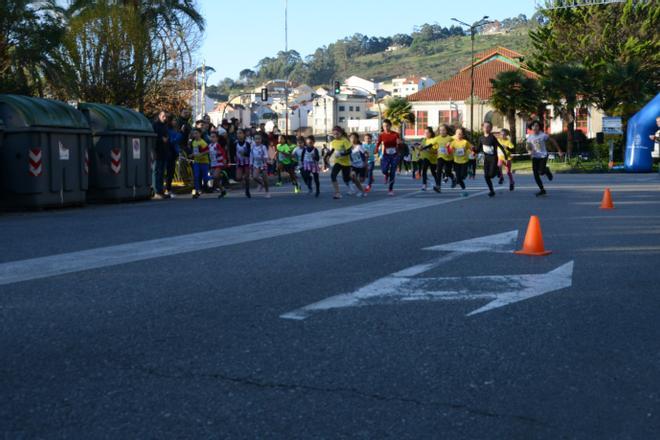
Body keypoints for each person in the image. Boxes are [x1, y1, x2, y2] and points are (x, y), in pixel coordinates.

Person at [526, 120, 563, 197]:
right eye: (533, 126)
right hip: (535, 157)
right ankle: (542, 190)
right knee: (535, 174)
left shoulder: (543, 135)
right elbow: (528, 146)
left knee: (541, 172)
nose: (535, 127)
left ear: (539, 127)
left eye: (537, 126)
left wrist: (559, 150)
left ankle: (547, 170)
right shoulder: (530, 137)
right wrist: (530, 151)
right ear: (531, 127)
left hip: (543, 156)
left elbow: (553, 141)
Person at [478, 121, 508, 197]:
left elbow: (500, 146)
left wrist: (506, 157)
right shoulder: (481, 138)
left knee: (491, 175)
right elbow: (478, 149)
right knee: (486, 176)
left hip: (493, 158)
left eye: (488, 127)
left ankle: (497, 170)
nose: (486, 128)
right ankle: (491, 191)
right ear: (482, 128)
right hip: (486, 159)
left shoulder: (492, 138)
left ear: (491, 128)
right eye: (485, 126)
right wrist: (473, 150)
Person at [377, 119, 402, 196]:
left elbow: (400, 144)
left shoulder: (395, 134)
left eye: (387, 126)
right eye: (384, 126)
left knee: (392, 172)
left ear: (390, 126)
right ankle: (386, 175)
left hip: (394, 155)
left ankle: (390, 189)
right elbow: (378, 143)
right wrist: (376, 150)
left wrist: (399, 144)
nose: (385, 127)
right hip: (386, 155)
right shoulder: (381, 135)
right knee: (384, 170)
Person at [328, 126, 352, 199]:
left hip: (346, 163)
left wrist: (342, 154)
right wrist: (327, 157)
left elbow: (349, 151)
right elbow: (331, 151)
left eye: (337, 134)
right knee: (333, 175)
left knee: (345, 178)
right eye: (334, 134)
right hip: (338, 162)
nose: (336, 135)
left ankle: (350, 186)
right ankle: (337, 193)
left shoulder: (345, 141)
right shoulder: (333, 142)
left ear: (341, 133)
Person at [449, 127, 473, 196]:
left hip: (464, 161)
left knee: (463, 176)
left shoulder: (465, 142)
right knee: (459, 177)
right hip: (456, 162)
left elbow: (471, 148)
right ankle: (463, 189)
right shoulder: (453, 142)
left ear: (462, 135)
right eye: (457, 133)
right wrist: (448, 147)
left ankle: (465, 174)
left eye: (460, 133)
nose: (459, 134)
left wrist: (473, 151)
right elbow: (450, 151)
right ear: (455, 135)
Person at [152, 111, 170, 200]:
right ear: (159, 116)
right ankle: (156, 191)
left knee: (162, 172)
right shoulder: (155, 125)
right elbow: (153, 138)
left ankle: (160, 190)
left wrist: (166, 139)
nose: (165, 118)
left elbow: (167, 137)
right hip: (157, 151)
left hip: (164, 152)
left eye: (166, 116)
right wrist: (161, 139)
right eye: (163, 116)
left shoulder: (165, 126)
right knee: (156, 171)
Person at [189, 128, 210, 199]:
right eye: (194, 133)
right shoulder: (193, 142)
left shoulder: (203, 142)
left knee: (205, 178)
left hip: (204, 162)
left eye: (197, 133)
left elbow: (207, 151)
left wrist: (201, 154)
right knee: (196, 176)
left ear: (200, 134)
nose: (195, 135)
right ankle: (197, 191)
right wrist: (192, 155)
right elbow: (195, 152)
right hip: (197, 162)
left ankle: (215, 177)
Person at [165, 118, 182, 198]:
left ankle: (168, 188)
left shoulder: (177, 131)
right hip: (168, 151)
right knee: (167, 171)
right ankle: (167, 189)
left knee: (171, 172)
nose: (174, 122)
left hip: (174, 152)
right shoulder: (169, 130)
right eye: (173, 120)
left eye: (175, 121)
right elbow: (173, 141)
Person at [250, 133, 271, 199]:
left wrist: (264, 158)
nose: (257, 140)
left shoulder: (263, 147)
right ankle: (261, 183)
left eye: (259, 139)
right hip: (256, 164)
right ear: (254, 140)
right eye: (256, 139)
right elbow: (251, 156)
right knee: (255, 177)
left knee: (265, 178)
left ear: (261, 140)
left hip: (263, 164)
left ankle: (267, 192)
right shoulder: (252, 147)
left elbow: (266, 155)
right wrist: (251, 163)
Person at [435, 124, 455, 191]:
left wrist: (450, 146)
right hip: (440, 157)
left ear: (446, 131)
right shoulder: (437, 138)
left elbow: (454, 146)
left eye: (443, 130)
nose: (442, 132)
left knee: (448, 172)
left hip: (449, 158)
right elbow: (431, 144)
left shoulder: (450, 138)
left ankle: (453, 178)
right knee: (438, 170)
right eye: (440, 130)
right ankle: (438, 186)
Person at [208, 132, 228, 198]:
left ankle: (222, 175)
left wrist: (224, 159)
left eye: (214, 137)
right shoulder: (209, 145)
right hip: (213, 163)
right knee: (215, 180)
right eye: (211, 137)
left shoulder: (217, 145)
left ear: (217, 138)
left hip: (219, 163)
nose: (212, 138)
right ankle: (223, 190)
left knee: (215, 176)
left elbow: (222, 152)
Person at [420, 127, 440, 192]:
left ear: (431, 133)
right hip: (425, 157)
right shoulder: (423, 140)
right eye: (425, 132)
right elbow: (421, 147)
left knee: (433, 172)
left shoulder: (434, 140)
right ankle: (424, 185)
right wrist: (419, 148)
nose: (426, 134)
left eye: (427, 132)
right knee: (424, 170)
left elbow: (436, 151)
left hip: (433, 158)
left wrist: (430, 150)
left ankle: (438, 185)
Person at [349, 132, 367, 197]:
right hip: (354, 166)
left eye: (354, 138)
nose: (353, 139)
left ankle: (362, 190)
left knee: (361, 180)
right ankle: (361, 190)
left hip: (361, 166)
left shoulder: (359, 147)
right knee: (353, 177)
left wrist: (365, 162)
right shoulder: (349, 148)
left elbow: (366, 154)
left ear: (357, 139)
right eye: (351, 138)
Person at [235, 128, 252, 198]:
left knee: (246, 177)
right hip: (239, 162)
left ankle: (247, 190)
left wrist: (244, 153)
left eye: (240, 133)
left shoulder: (247, 143)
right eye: (237, 133)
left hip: (246, 162)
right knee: (238, 178)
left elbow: (249, 153)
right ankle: (244, 183)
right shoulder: (235, 143)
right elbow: (233, 152)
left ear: (244, 134)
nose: (239, 135)